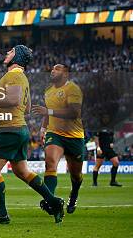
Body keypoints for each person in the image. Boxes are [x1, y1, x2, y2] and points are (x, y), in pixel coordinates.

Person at [0, 45, 64, 225]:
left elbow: (14, 100)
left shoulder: (13, 75)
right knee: (22, 171)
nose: (6, 53)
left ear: (17, 56)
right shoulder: (22, 77)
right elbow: (26, 107)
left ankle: (2, 215)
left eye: (10, 52)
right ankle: (54, 202)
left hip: (9, 128)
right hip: (19, 128)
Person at [32, 64, 85, 213]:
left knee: (76, 175)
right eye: (52, 69)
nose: (53, 70)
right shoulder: (48, 91)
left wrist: (48, 111)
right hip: (54, 133)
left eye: (57, 69)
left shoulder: (73, 89)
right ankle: (51, 201)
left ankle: (74, 195)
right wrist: (43, 129)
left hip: (74, 136)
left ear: (66, 73)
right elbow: (48, 114)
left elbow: (74, 113)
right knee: (50, 163)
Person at [92, 115, 123, 187]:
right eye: (105, 118)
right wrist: (98, 147)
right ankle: (94, 183)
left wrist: (112, 142)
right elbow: (96, 137)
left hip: (109, 149)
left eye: (107, 118)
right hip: (101, 149)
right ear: (102, 118)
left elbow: (112, 136)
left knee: (116, 163)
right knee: (98, 165)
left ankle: (113, 181)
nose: (106, 119)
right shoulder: (99, 127)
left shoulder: (110, 127)